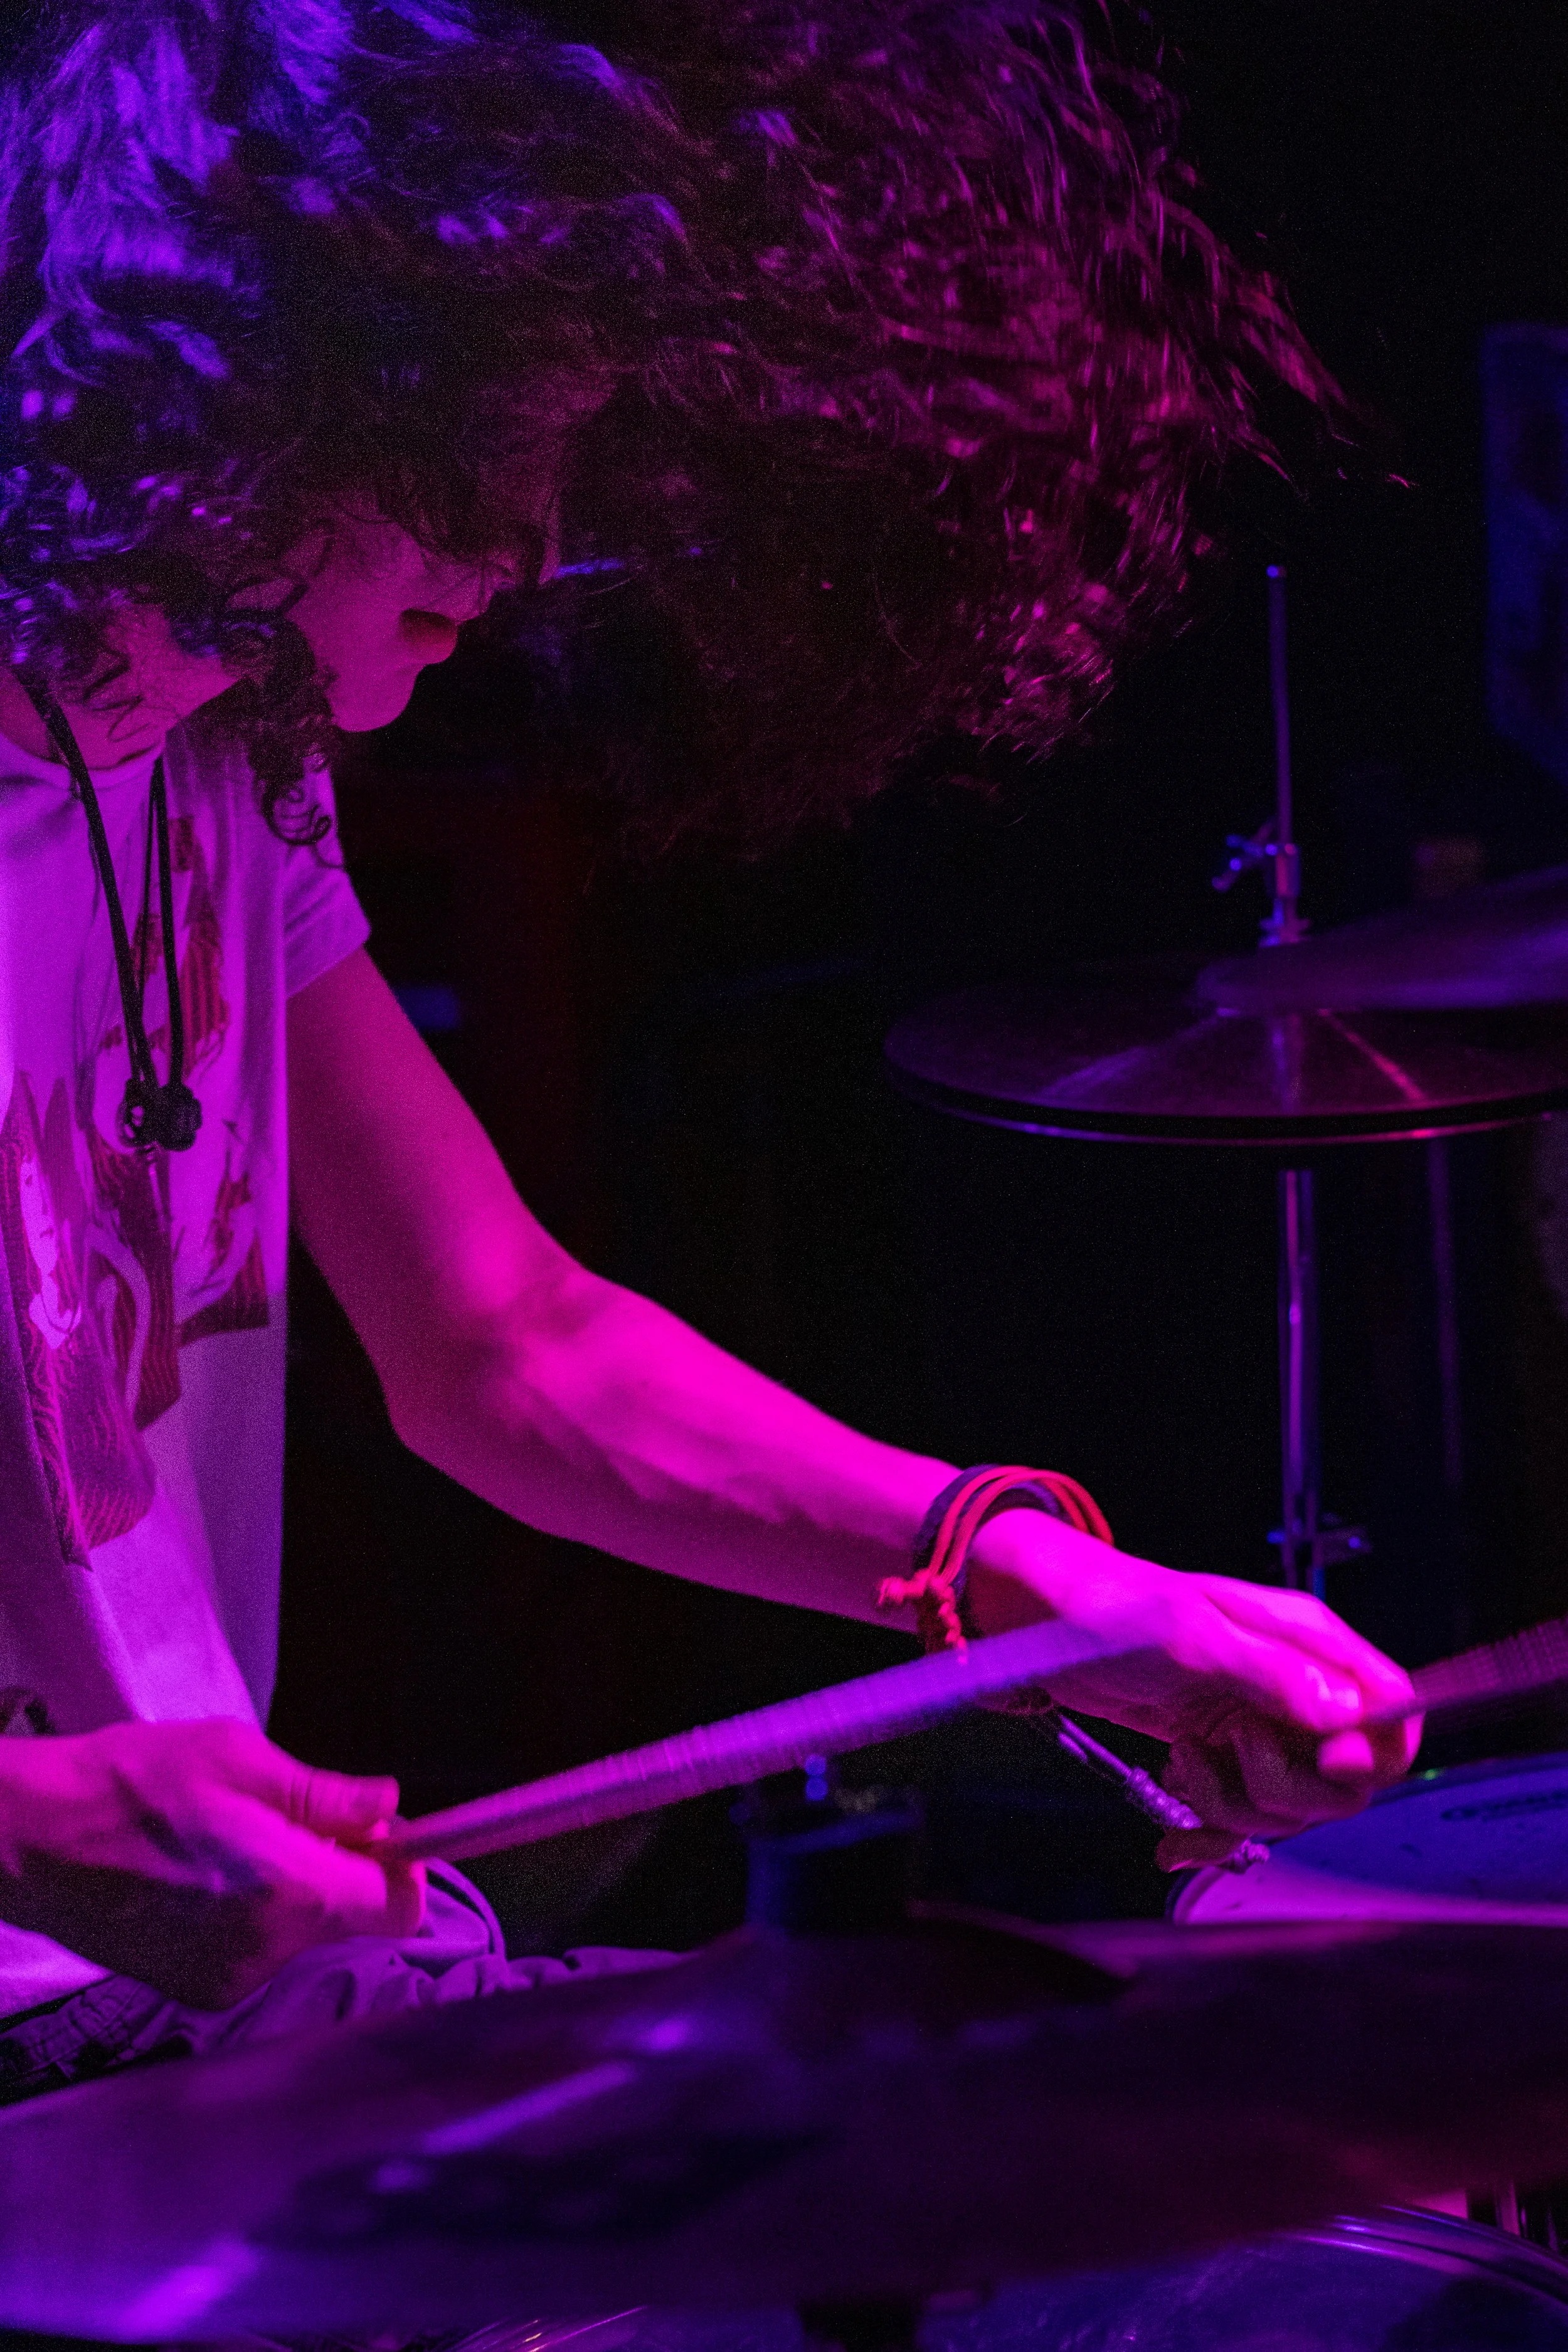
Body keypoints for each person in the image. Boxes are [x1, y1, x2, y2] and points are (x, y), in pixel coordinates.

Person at [0, 0, 1417, 2102]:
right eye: (492, 436)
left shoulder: (226, 771)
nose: (527, 537)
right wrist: (45, 1827)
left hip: (215, 2019)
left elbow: (504, 1343)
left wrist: (1034, 1587)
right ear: (268, 362)